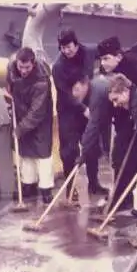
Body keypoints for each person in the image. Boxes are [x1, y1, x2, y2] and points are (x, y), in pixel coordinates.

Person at [96, 36, 137, 211]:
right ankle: (122, 197)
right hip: (125, 112)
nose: (103, 63)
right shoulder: (108, 70)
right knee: (119, 155)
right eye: (101, 59)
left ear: (119, 57)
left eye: (106, 58)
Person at [51, 28, 108, 201]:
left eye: (68, 46)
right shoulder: (58, 67)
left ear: (76, 44)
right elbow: (65, 93)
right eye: (62, 47)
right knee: (69, 151)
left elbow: (105, 54)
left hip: (88, 104)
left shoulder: (89, 52)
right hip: (69, 110)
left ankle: (94, 183)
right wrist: (83, 109)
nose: (66, 50)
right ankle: (71, 188)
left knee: (91, 145)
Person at [6, 47, 55, 204]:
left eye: (27, 68)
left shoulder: (41, 81)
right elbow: (10, 85)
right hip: (21, 115)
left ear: (33, 64)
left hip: (39, 122)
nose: (24, 71)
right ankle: (28, 184)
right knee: (25, 154)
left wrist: (19, 129)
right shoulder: (12, 71)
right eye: (21, 67)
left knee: (42, 155)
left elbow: (37, 112)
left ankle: (46, 188)